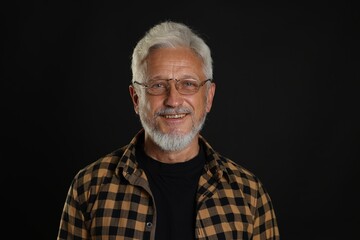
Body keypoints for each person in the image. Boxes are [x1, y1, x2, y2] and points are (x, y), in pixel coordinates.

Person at [57, 20, 280, 240]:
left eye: (188, 84)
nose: (173, 100)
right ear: (136, 98)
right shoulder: (89, 187)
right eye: (157, 85)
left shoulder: (249, 194)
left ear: (209, 96)